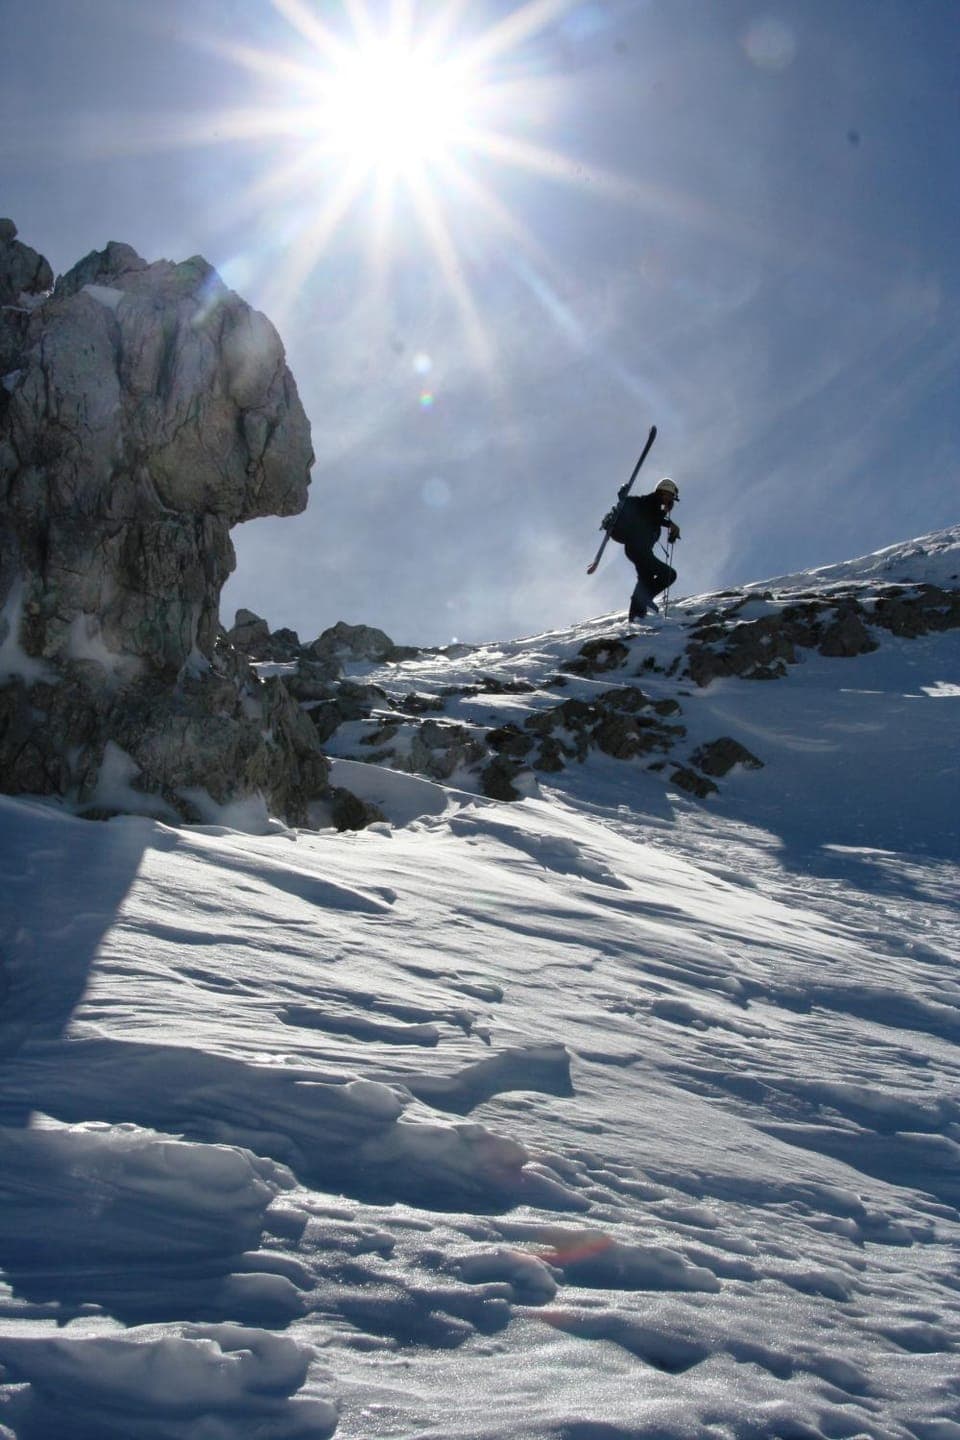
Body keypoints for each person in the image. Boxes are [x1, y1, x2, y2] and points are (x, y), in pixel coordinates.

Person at [611, 477, 681, 620]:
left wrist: (667, 520)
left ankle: (636, 617)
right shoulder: (651, 501)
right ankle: (641, 604)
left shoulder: (654, 506)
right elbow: (645, 511)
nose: (671, 500)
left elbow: (651, 517)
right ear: (664, 492)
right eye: (671, 496)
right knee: (669, 574)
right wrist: (670, 524)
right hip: (638, 548)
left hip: (636, 549)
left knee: (645, 580)